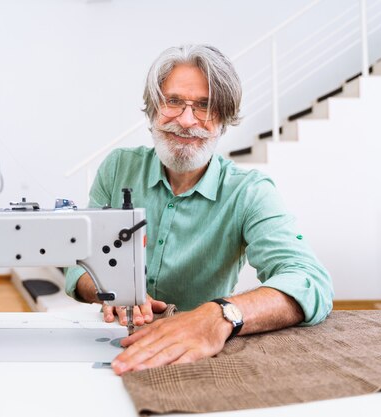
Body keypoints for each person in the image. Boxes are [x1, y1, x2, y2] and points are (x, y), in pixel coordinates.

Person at [65, 44, 333, 376]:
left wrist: (219, 315)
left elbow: (309, 281)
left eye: (205, 106)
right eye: (173, 102)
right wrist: (110, 290)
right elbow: (78, 265)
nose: (187, 120)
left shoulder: (249, 191)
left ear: (223, 119)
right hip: (113, 340)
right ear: (152, 110)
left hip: (200, 353)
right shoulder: (117, 168)